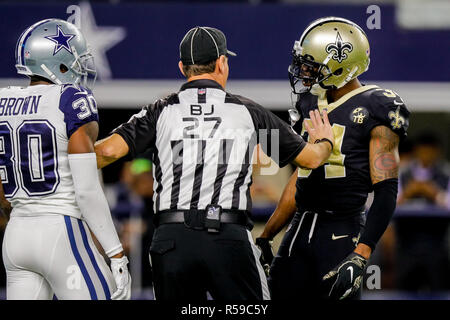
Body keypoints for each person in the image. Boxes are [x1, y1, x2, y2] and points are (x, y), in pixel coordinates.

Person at [94, 26, 335, 300]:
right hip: (227, 237)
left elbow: (106, 153)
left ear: (183, 67)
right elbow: (311, 160)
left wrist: (61, 151)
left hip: (171, 240)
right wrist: (324, 141)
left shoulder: (159, 112)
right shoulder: (247, 112)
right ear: (221, 63)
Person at [256, 17, 410, 300]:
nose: (303, 71)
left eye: (311, 65)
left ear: (341, 64)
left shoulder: (378, 105)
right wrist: (266, 236)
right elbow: (301, 176)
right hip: (298, 230)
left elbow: (386, 189)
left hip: (342, 232)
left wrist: (362, 253)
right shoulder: (309, 101)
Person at [0, 19, 131, 300]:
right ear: (57, 61)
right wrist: (116, 252)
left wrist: (17, 216)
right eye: (76, 59)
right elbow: (86, 191)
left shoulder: (3, 101)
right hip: (60, 230)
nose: (80, 67)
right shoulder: (70, 99)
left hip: (16, 236)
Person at [395, 132, 450, 291]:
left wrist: (433, 193)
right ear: (417, 151)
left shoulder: (446, 174)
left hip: (436, 246)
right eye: (423, 150)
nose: (426, 155)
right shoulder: (402, 173)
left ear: (437, 152)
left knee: (438, 290)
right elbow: (390, 204)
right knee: (404, 291)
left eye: (430, 151)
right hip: (406, 245)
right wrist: (408, 193)